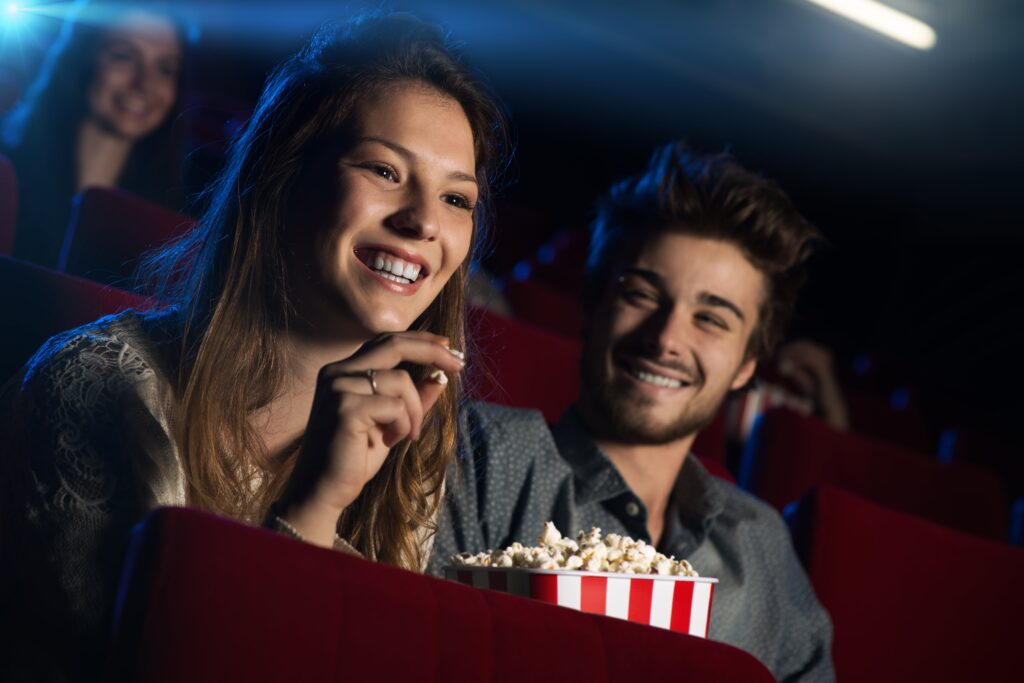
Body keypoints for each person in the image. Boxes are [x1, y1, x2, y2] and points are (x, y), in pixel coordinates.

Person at [0, 13, 508, 681]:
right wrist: (315, 508)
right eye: (384, 169)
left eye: (456, 197)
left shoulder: (414, 445)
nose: (423, 221)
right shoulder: (100, 389)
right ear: (281, 175)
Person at [432, 143, 835, 682]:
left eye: (712, 319)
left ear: (746, 364)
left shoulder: (763, 547)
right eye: (642, 294)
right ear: (593, 304)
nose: (666, 338)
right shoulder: (478, 453)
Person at [1, 0, 190, 268]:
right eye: (123, 55)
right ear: (80, 58)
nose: (144, 84)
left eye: (165, 69)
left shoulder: (179, 217)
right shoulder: (6, 165)